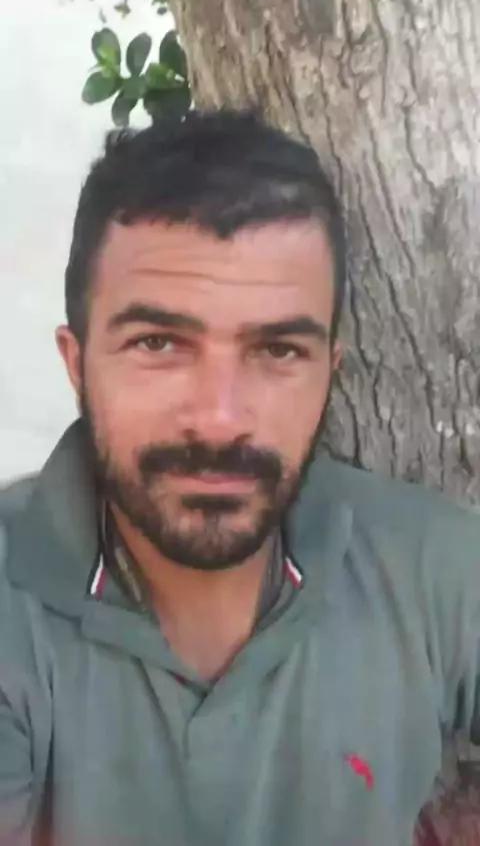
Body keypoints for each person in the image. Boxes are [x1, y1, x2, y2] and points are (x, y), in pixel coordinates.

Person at [0, 109, 478, 846]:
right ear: (77, 363)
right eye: (158, 343)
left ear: (329, 371)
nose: (220, 420)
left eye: (278, 351)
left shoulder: (436, 566)